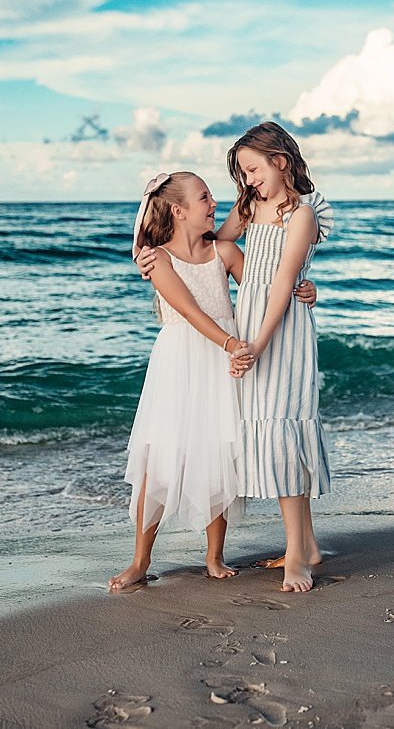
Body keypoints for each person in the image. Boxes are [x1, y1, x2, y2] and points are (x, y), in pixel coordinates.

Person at [110, 171, 251, 592]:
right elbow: (189, 311)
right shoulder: (158, 260)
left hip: (221, 362)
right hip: (181, 362)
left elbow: (264, 291)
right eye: (205, 197)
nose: (213, 203)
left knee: (217, 453)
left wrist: (303, 290)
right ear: (178, 210)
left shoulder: (225, 251)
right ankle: (140, 560)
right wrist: (231, 343)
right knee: (160, 457)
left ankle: (214, 555)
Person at [223, 122, 333, 594]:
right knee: (274, 429)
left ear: (280, 162)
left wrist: (260, 343)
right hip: (254, 323)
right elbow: (216, 242)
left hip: (282, 331)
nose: (249, 180)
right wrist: (156, 247)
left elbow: (285, 283)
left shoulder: (302, 215)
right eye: (243, 173)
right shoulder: (250, 205)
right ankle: (307, 545)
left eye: (254, 170)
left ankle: (297, 558)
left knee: (284, 431)